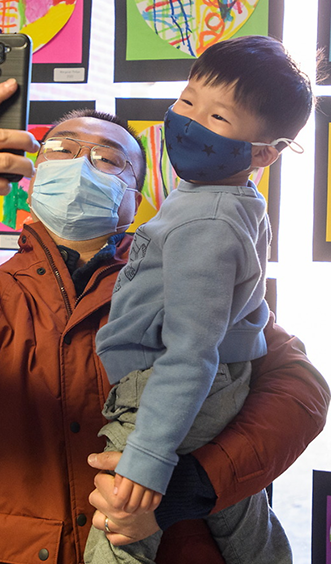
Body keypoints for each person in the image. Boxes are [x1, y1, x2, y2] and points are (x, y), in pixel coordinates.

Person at [0, 77, 330, 564]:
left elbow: (301, 388)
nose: (81, 165)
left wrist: (196, 483)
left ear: (134, 198)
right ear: (35, 176)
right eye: (61, 150)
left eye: (108, 159)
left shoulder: (189, 274)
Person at [85, 36, 313, 564]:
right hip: (224, 387)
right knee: (237, 510)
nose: (188, 121)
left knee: (120, 526)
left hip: (165, 395)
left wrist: (146, 455)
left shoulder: (206, 223)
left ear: (262, 152)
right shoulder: (229, 200)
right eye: (187, 101)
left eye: (218, 118)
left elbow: (190, 352)